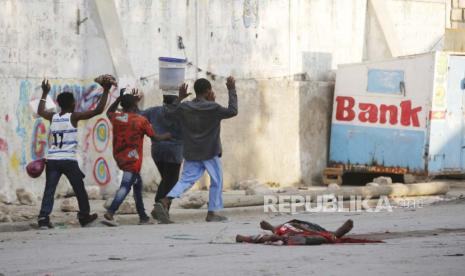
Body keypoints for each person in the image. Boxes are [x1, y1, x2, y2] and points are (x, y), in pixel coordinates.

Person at [154, 76, 238, 223]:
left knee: (185, 180)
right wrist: (231, 89)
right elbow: (233, 111)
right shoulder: (214, 108)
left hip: (192, 152)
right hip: (210, 151)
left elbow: (168, 112)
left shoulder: (185, 107)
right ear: (207, 91)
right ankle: (212, 212)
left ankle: (165, 201)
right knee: (217, 181)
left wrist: (179, 98)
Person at [36, 75, 114, 229]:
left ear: (58, 104)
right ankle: (84, 216)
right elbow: (98, 110)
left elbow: (40, 110)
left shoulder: (53, 117)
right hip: (68, 160)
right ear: (72, 103)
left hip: (52, 160)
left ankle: (43, 218)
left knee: (49, 190)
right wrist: (105, 91)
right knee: (79, 189)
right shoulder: (74, 117)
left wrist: (45, 93)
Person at [104, 89, 171, 224]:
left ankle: (143, 216)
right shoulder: (141, 120)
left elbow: (108, 112)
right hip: (133, 160)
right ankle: (111, 211)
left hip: (120, 157)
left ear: (122, 106)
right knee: (125, 186)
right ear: (135, 105)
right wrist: (168, 135)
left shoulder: (118, 117)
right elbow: (155, 137)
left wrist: (118, 99)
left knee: (137, 186)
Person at [139, 92, 183, 220]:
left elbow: (138, 115)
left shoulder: (154, 111)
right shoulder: (181, 112)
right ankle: (159, 204)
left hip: (157, 150)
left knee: (166, 179)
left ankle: (163, 211)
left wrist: (135, 103)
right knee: (171, 181)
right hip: (175, 150)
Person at [236, 219, 382, 245]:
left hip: (294, 229)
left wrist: (271, 228)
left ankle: (334, 234)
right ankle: (334, 235)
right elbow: (271, 234)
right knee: (319, 237)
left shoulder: (282, 228)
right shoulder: (280, 231)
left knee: (316, 233)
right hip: (289, 233)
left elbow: (275, 231)